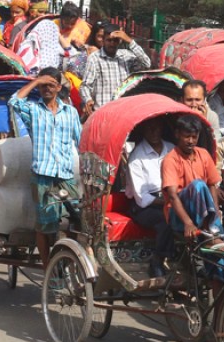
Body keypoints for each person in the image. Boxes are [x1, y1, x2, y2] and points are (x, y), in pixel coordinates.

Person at [9, 67, 82, 268]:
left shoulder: (71, 112)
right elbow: (14, 102)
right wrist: (35, 81)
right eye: (43, 86)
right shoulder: (33, 110)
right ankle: (47, 265)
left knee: (76, 219)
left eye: (50, 85)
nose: (46, 89)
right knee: (44, 225)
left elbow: (81, 141)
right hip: (43, 176)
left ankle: (67, 260)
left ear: (59, 87)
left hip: (66, 176)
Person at [125, 117, 175, 277]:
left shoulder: (172, 148)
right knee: (165, 219)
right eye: (149, 128)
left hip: (173, 197)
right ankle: (158, 260)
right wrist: (168, 202)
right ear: (143, 131)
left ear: (162, 128)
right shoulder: (136, 157)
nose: (154, 132)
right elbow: (142, 197)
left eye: (156, 127)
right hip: (145, 206)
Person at [161, 115, 222, 240]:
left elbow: (212, 184)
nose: (190, 141)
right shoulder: (170, 160)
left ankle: (213, 232)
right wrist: (188, 223)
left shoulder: (203, 154)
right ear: (177, 134)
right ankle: (209, 234)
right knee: (198, 185)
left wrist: (215, 213)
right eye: (187, 136)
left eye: (194, 137)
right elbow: (172, 196)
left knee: (203, 186)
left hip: (204, 211)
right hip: (179, 215)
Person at [80, 24, 151, 116]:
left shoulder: (126, 56)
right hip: (103, 113)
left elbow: (147, 63)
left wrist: (129, 41)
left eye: (115, 40)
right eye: (109, 40)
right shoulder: (94, 59)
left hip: (123, 112)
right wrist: (88, 100)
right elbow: (85, 86)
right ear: (103, 40)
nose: (112, 43)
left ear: (120, 41)